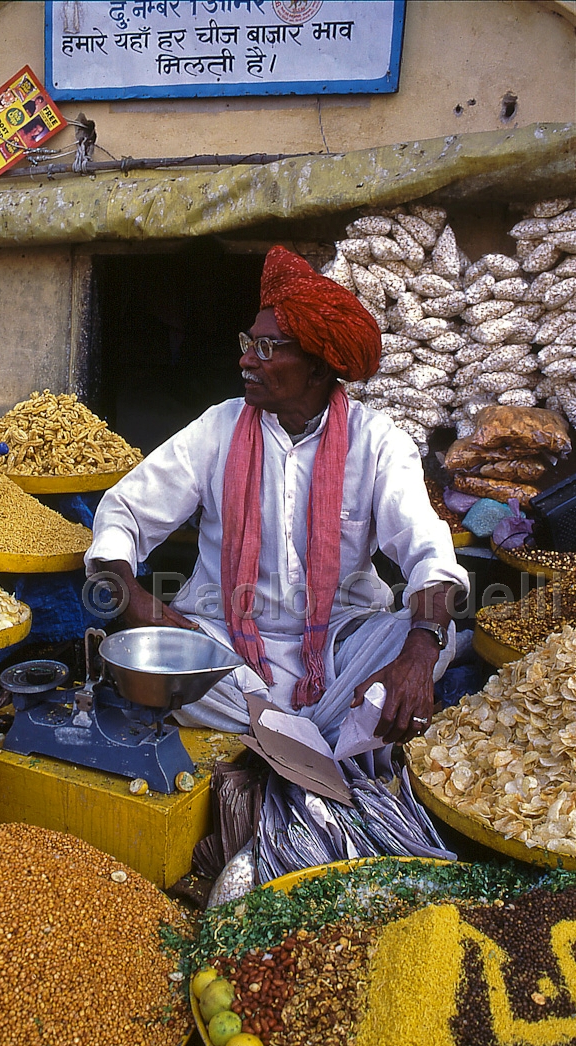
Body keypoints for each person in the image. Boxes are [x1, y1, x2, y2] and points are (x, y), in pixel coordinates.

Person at [84, 245, 469, 747]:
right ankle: (327, 738)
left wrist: (419, 652)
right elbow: (126, 511)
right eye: (248, 342)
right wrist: (133, 598)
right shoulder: (218, 428)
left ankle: (277, 732)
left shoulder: (378, 442)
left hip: (339, 645)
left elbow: (428, 551)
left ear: (317, 367)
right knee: (140, 648)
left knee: (433, 641)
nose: (245, 359)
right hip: (224, 647)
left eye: (267, 348)